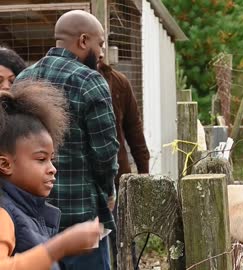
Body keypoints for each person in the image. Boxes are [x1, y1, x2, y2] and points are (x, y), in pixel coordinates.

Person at [15, 10, 119, 270]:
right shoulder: (90, 81)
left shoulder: (23, 79)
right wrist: (108, 191)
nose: (103, 52)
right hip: (80, 220)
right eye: (101, 43)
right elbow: (105, 153)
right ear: (83, 41)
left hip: (32, 220)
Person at [0, 81, 103, 270]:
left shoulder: (28, 209)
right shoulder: (3, 213)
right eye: (41, 159)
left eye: (51, 159)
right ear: (5, 164)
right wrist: (60, 246)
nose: (52, 168)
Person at [98, 58, 150, 269]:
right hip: (82, 183)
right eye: (96, 44)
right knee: (95, 243)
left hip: (118, 178)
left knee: (123, 239)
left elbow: (134, 130)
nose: (100, 53)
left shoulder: (118, 82)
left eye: (102, 45)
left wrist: (144, 173)